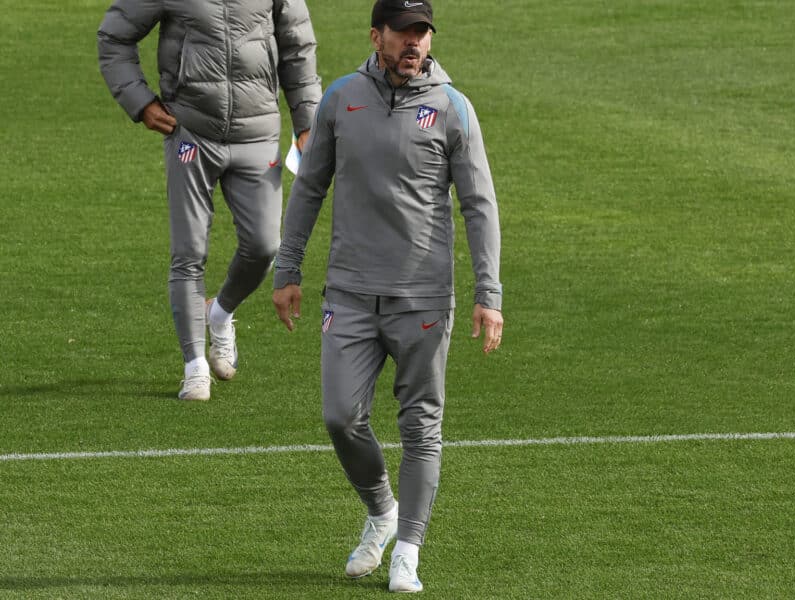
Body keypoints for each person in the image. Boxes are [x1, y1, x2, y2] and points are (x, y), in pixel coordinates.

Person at [271, 0, 503, 592]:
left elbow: (479, 205)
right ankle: (382, 512)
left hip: (423, 301)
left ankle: (409, 550)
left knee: (423, 426)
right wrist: (287, 268)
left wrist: (488, 292)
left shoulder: (454, 109)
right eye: (403, 32)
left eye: (422, 33)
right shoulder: (341, 99)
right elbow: (308, 188)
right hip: (348, 295)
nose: (414, 43)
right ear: (376, 36)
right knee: (341, 417)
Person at [97, 0, 322, 401]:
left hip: (258, 133)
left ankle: (219, 313)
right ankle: (194, 366)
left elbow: (297, 45)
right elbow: (114, 37)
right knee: (189, 252)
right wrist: (140, 102)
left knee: (264, 247)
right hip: (190, 132)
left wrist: (307, 120)